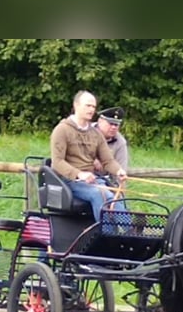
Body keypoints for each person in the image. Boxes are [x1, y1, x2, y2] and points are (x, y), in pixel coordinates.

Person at [50, 91, 128, 223]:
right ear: (76, 105)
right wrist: (79, 174)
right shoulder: (62, 130)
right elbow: (57, 162)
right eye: (88, 106)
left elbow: (107, 160)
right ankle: (107, 235)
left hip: (92, 181)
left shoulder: (95, 134)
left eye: (93, 106)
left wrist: (118, 171)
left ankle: (129, 233)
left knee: (115, 197)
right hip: (69, 181)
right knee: (98, 194)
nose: (92, 109)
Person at [93, 106, 129, 177]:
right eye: (110, 123)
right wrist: (91, 159)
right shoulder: (85, 132)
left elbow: (121, 168)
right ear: (100, 121)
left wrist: (120, 185)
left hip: (104, 179)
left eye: (116, 124)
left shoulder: (120, 142)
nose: (113, 127)